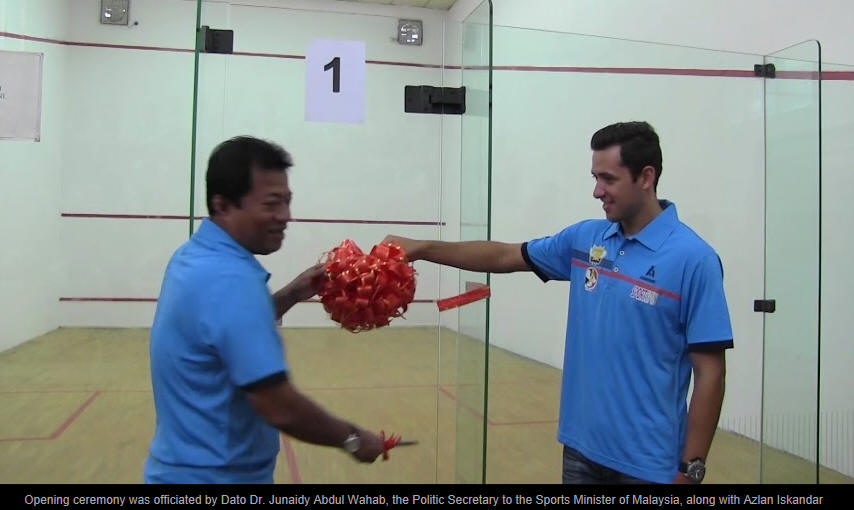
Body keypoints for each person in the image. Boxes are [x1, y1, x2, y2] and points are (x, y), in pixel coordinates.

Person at [385, 121, 732, 484]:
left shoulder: (694, 260)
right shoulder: (586, 239)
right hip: (581, 451)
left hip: (650, 466)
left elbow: (710, 373)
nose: (597, 191)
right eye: (595, 177)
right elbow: (505, 255)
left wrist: (691, 470)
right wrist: (422, 248)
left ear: (646, 177)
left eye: (608, 179)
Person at [144, 136, 385, 484]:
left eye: (287, 202)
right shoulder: (233, 280)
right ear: (222, 205)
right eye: (271, 204)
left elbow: (223, 332)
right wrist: (353, 439)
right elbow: (278, 405)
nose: (285, 216)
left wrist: (291, 294)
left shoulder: (193, 256)